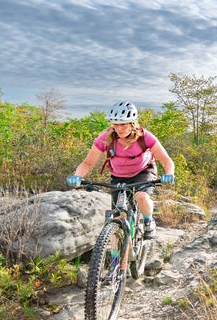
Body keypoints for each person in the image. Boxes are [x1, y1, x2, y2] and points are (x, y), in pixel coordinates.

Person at [66, 101, 175, 239]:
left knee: (142, 197)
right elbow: (87, 163)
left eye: (123, 124)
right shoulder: (105, 138)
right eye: (115, 124)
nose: (119, 128)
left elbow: (166, 160)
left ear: (132, 124)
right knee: (116, 217)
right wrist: (77, 176)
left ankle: (148, 221)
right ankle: (116, 258)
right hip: (119, 176)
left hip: (143, 171)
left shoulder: (145, 137)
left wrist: (169, 174)